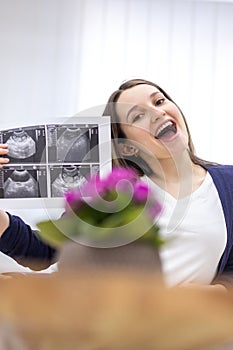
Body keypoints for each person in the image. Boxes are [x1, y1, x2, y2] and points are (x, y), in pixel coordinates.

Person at [0, 79, 232, 291]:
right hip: (81, 315)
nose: (156, 112)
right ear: (128, 147)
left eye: (159, 101)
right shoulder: (113, 190)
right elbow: (47, 251)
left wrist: (213, 293)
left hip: (169, 328)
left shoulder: (227, 184)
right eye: (137, 116)